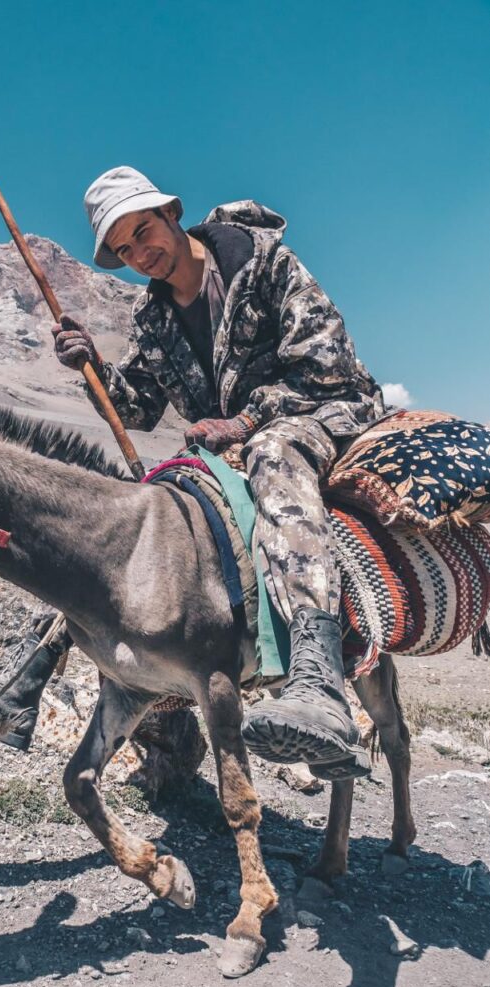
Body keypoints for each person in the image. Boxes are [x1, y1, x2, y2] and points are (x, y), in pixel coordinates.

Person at [45, 166, 385, 781]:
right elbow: (138, 409)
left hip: (320, 412)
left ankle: (318, 676)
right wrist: (93, 368)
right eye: (123, 248)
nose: (140, 253)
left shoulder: (264, 264)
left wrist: (246, 420)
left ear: (172, 213)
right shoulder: (151, 320)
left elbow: (326, 363)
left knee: (273, 455)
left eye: (143, 231)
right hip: (228, 444)